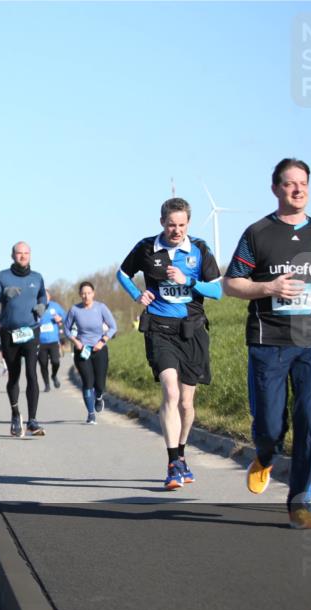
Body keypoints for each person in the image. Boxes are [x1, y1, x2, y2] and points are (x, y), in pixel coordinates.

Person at [223, 158, 311, 530]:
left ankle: (300, 502)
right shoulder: (258, 233)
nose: (299, 190)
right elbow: (232, 284)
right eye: (290, 184)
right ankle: (264, 456)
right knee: (269, 427)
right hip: (269, 342)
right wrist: (269, 287)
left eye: (304, 183)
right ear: (276, 188)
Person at [117, 198, 222, 490]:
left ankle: (181, 454)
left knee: (187, 404)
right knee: (170, 391)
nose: (176, 231)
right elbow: (122, 274)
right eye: (171, 225)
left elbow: (218, 291)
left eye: (181, 225)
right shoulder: (146, 247)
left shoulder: (199, 249)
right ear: (162, 222)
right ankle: (173, 461)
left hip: (192, 330)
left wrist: (190, 281)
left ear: (188, 223)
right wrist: (137, 294)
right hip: (159, 328)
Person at [0, 241, 48, 437]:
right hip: (9, 332)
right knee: (14, 375)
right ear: (12, 255)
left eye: (26, 253)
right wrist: (3, 293)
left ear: (30, 255)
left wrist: (42, 306)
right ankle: (15, 413)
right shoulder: (2, 277)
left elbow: (42, 297)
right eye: (19, 253)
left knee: (31, 373)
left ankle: (33, 421)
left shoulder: (37, 277)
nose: (23, 256)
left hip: (31, 331)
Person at [64, 282, 118, 425]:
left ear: (93, 293)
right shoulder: (75, 310)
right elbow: (67, 329)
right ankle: (91, 414)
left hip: (99, 349)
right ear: (80, 294)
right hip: (82, 350)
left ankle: (99, 397)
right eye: (83, 293)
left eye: (88, 293)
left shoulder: (101, 308)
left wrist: (103, 340)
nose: (86, 296)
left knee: (99, 384)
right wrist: (76, 342)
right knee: (87, 382)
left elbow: (113, 327)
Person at [36, 290, 67, 392]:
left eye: (46, 296)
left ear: (49, 297)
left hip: (53, 340)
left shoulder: (55, 306)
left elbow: (66, 317)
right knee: (43, 364)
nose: (44, 298)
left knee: (55, 361)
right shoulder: (36, 307)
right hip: (40, 342)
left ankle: (54, 375)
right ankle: (47, 384)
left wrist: (60, 319)